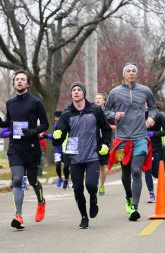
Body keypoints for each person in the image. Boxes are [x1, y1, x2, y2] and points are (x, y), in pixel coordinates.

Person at [0, 69, 49, 230]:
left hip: (32, 147)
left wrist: (33, 131)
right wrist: (2, 124)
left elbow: (45, 124)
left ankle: (41, 201)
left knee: (32, 181)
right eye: (17, 79)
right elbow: (11, 123)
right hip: (15, 147)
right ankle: (18, 216)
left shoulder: (35, 102)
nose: (19, 81)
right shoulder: (10, 103)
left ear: (28, 84)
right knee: (17, 179)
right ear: (14, 83)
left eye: (22, 79)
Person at [52, 82, 112, 229]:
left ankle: (93, 198)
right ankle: (84, 217)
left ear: (84, 93)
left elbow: (107, 130)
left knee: (91, 185)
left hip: (92, 155)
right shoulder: (66, 114)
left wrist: (105, 144)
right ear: (71, 94)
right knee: (77, 188)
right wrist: (57, 135)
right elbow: (58, 139)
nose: (76, 92)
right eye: (74, 90)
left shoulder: (96, 110)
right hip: (75, 157)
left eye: (79, 90)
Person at [105, 62, 156, 221]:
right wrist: (114, 115)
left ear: (136, 74)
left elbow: (153, 107)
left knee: (136, 171)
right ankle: (128, 197)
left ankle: (134, 207)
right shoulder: (115, 92)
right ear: (124, 74)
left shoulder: (145, 90)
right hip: (121, 140)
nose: (131, 73)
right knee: (126, 173)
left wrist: (151, 118)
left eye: (134, 70)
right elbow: (105, 111)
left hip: (140, 137)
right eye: (128, 71)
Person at [145, 101, 165, 203]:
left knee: (156, 173)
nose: (145, 105)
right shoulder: (139, 115)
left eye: (147, 103)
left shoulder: (159, 116)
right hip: (144, 148)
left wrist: (154, 133)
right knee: (147, 171)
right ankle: (151, 194)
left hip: (156, 148)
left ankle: (161, 188)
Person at [40, 111, 71, 190]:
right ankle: (60, 178)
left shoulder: (68, 124)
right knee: (57, 164)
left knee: (66, 167)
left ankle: (66, 179)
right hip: (57, 148)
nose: (56, 119)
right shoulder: (55, 125)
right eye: (55, 117)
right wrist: (46, 136)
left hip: (65, 148)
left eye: (57, 117)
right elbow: (55, 136)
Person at [94, 93, 116, 195]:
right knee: (93, 164)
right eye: (96, 98)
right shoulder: (91, 112)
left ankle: (102, 187)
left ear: (104, 101)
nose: (97, 100)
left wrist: (105, 125)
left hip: (104, 142)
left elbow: (115, 127)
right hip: (93, 141)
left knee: (102, 166)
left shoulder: (109, 114)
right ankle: (94, 186)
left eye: (99, 98)